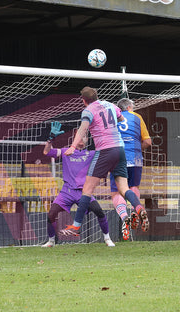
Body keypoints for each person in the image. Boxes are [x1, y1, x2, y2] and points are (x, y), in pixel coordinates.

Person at [61, 87, 148, 236]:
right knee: (123, 187)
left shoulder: (88, 111)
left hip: (105, 150)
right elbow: (121, 119)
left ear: (83, 100)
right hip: (120, 149)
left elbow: (83, 129)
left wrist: (73, 146)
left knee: (87, 189)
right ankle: (139, 208)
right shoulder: (110, 105)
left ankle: (76, 226)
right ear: (97, 96)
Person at [41, 121, 115, 247]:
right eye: (79, 136)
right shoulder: (66, 152)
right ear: (74, 138)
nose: (81, 138)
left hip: (84, 193)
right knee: (51, 214)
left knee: (99, 212)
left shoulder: (91, 154)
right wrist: (50, 139)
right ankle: (51, 241)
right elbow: (47, 152)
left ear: (87, 140)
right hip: (67, 192)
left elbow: (108, 153)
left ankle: (107, 239)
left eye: (84, 136)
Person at [109, 97, 152, 241]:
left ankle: (124, 217)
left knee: (116, 191)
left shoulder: (113, 118)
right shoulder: (137, 117)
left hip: (117, 157)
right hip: (135, 157)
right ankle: (136, 210)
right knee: (133, 186)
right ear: (128, 108)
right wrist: (138, 148)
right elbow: (147, 141)